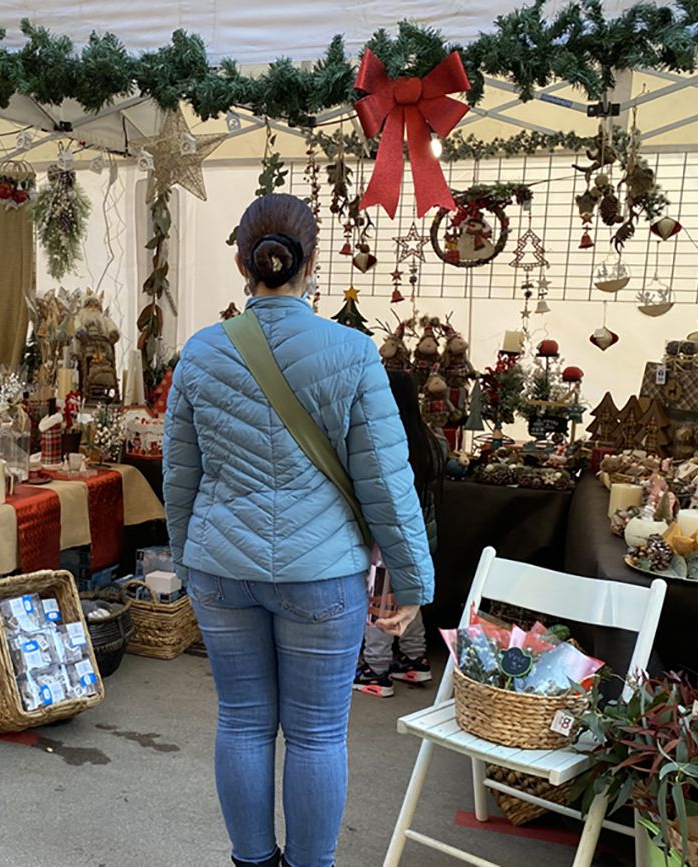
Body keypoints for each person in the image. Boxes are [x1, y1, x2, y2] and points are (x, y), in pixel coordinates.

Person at [163, 194, 435, 867]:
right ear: (312, 263)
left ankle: (252, 861)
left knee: (243, 720)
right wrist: (413, 578)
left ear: (240, 262)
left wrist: (188, 559)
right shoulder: (352, 352)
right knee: (316, 733)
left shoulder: (200, 354)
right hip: (322, 573)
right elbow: (386, 479)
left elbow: (180, 477)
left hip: (223, 570)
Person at [355, 370, 445, 697]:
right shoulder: (429, 439)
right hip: (418, 533)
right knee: (406, 597)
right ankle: (413, 660)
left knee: (379, 599)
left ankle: (376, 672)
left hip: (385, 537)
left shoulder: (383, 438)